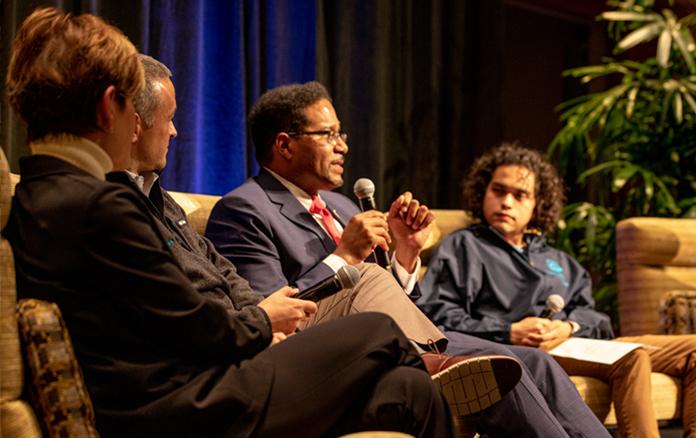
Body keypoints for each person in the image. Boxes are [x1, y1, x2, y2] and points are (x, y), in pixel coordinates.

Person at [4, 8, 459, 437]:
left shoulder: (34, 198)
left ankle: (437, 377)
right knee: (375, 330)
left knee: (410, 389)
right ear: (109, 107)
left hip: (180, 388)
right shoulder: (100, 205)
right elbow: (197, 326)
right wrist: (263, 323)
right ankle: (449, 368)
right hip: (184, 406)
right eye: (131, 111)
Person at [204, 81, 611, 437]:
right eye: (328, 134)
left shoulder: (343, 206)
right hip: (336, 347)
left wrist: (405, 253)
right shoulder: (244, 209)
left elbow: (390, 295)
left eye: (341, 133)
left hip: (407, 332)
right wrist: (343, 255)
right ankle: (436, 361)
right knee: (501, 365)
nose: (343, 145)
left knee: (536, 363)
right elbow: (270, 312)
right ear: (284, 144)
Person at [417, 142, 696, 438]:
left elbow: (598, 320)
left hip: (575, 342)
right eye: (498, 191)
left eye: (520, 195)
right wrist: (508, 331)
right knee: (632, 357)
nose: (507, 202)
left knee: (692, 348)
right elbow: (438, 315)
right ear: (482, 193)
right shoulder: (465, 246)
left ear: (538, 203)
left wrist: (569, 326)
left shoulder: (558, 259)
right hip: (525, 349)